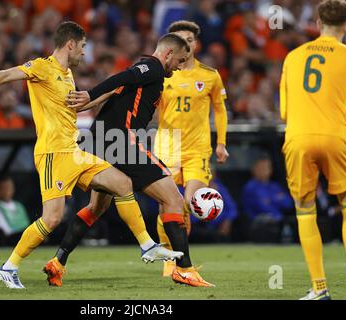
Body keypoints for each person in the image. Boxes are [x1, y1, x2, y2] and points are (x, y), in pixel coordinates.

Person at [0, 21, 181, 289]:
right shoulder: (42, 67)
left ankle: (147, 245)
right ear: (71, 44)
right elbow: (9, 74)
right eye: (82, 47)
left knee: (123, 183)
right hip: (53, 154)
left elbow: (75, 107)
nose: (84, 53)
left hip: (74, 151)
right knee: (52, 218)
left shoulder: (67, 75)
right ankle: (9, 266)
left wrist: (105, 95)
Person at [49, 32, 213, 287]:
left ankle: (57, 263)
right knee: (173, 199)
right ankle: (185, 269)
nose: (179, 67)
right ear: (168, 53)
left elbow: (119, 85)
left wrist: (91, 100)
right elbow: (121, 78)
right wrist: (90, 95)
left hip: (100, 141)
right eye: (179, 60)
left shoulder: (143, 68)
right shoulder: (154, 67)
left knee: (96, 208)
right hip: (121, 141)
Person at [279, 0, 346, 300]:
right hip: (335, 136)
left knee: (305, 210)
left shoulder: (293, 57)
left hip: (298, 138)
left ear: (318, 24)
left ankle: (319, 289)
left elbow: (283, 111)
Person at [152, 20, 229, 277]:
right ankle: (170, 259)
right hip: (167, 146)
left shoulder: (209, 75)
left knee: (187, 202)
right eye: (181, 40)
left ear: (195, 43)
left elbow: (220, 109)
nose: (187, 44)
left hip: (198, 149)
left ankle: (180, 259)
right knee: (168, 204)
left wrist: (221, 143)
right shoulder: (162, 75)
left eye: (190, 40)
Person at [241, 154, 293, 243]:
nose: (265, 170)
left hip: (279, 223)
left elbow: (289, 204)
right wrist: (278, 199)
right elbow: (263, 206)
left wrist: (271, 200)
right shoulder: (250, 187)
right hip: (259, 225)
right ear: (254, 170)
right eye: (261, 168)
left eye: (267, 167)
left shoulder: (275, 186)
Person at [0, 176, 31, 245]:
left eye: (9, 188)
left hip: (23, 236)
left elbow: (26, 225)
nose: (7, 191)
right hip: (9, 239)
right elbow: (5, 230)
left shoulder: (19, 206)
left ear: (13, 189)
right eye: (3, 188)